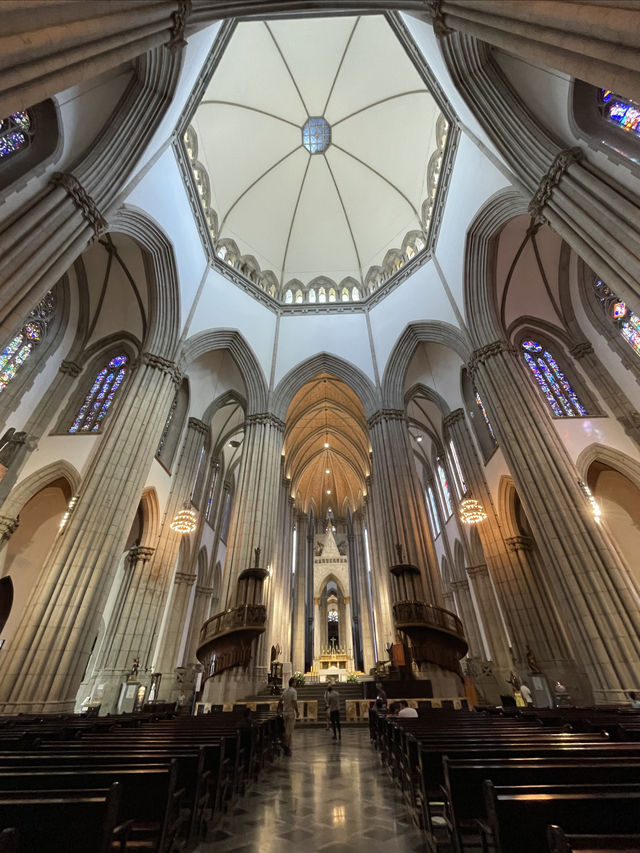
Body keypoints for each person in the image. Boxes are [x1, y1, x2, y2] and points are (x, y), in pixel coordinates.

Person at [280, 676, 300, 756]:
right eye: (295, 682)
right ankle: (286, 748)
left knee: (287, 730)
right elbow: (294, 702)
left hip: (284, 712)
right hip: (290, 712)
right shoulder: (293, 691)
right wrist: (297, 711)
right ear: (293, 683)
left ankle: (288, 747)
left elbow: (280, 699)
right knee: (289, 731)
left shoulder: (285, 691)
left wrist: (282, 708)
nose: (296, 684)